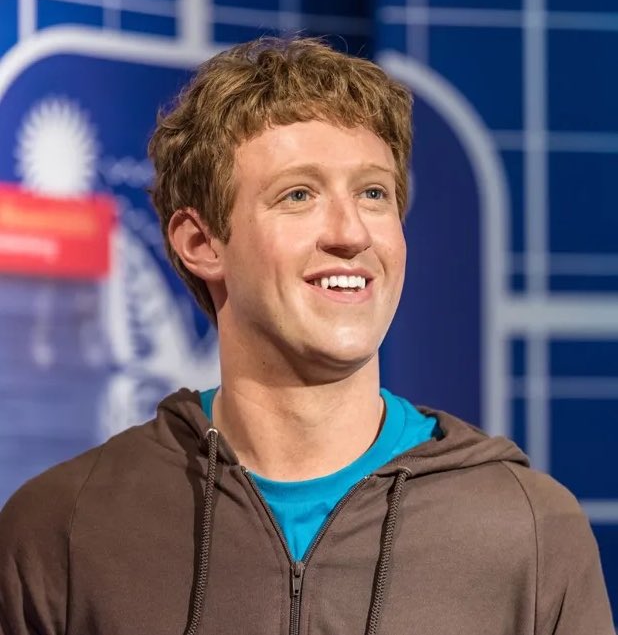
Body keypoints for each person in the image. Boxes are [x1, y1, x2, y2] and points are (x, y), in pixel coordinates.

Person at [0, 37, 613, 635]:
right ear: (202, 243)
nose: (351, 233)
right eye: (299, 194)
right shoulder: (66, 527)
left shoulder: (527, 528)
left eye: (374, 193)